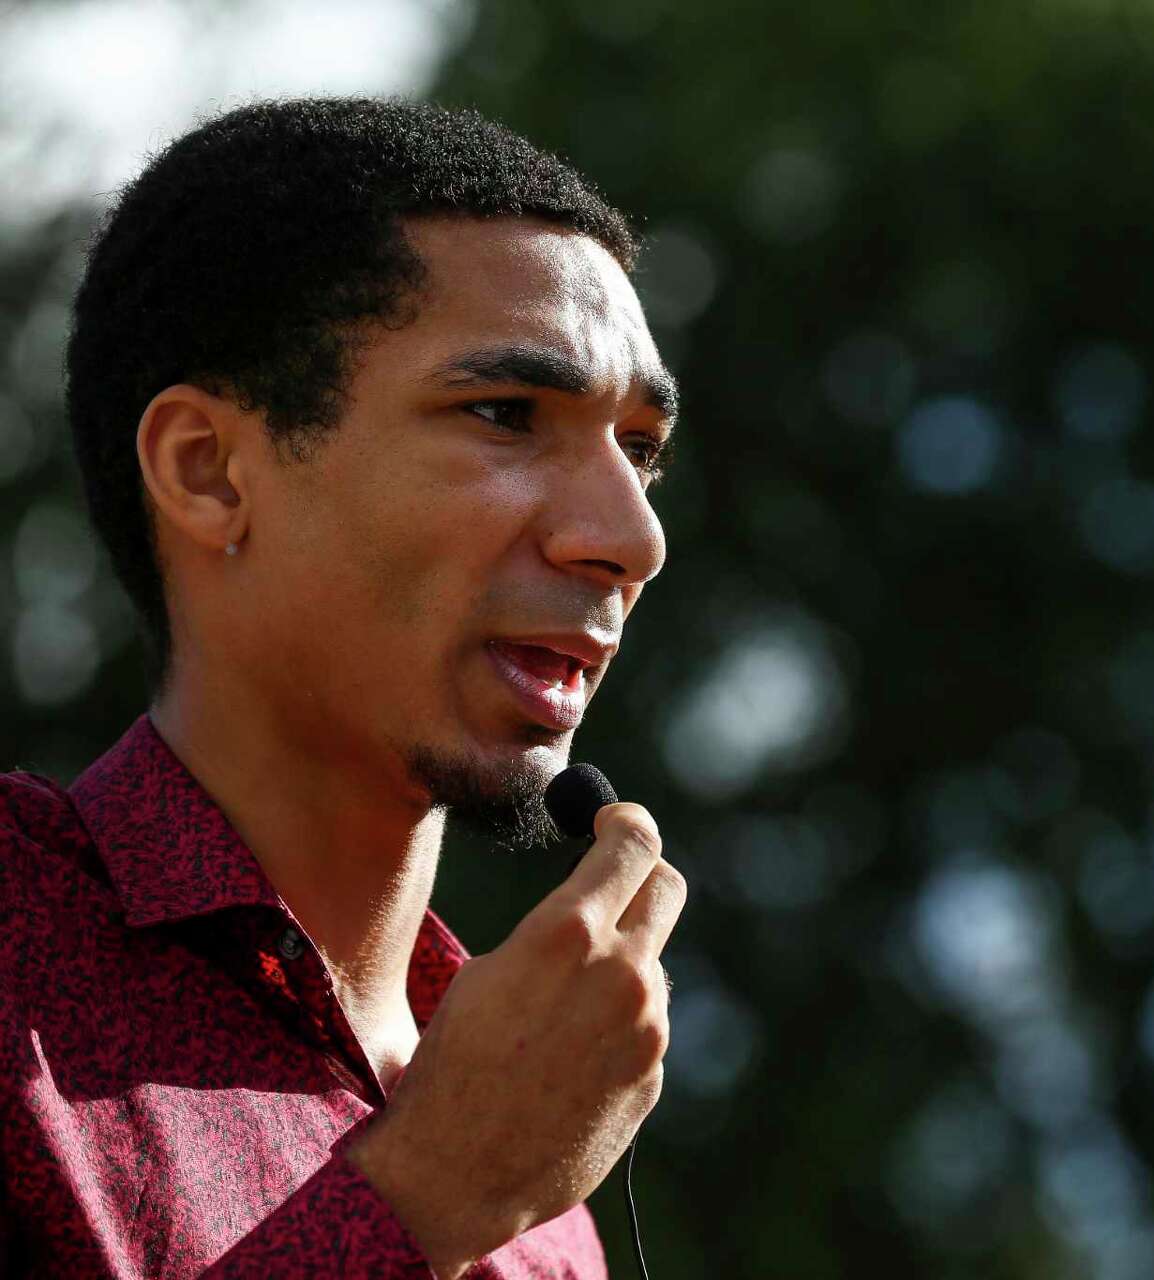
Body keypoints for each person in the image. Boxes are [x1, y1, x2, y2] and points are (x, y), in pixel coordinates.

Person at [0, 98, 686, 1278]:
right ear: (210, 471)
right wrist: (428, 1194)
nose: (632, 538)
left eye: (639, 448)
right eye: (506, 414)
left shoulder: (545, 1198)